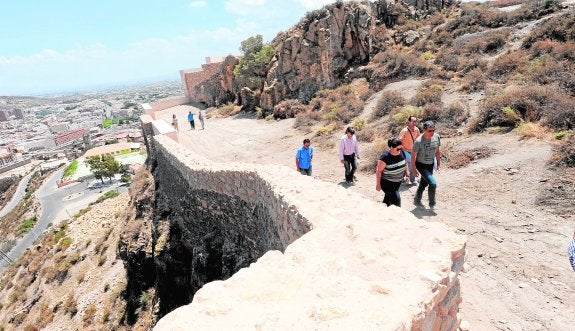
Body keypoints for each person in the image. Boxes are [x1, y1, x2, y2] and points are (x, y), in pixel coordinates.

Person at [412, 120, 441, 209]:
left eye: (433, 130)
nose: (432, 133)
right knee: (432, 183)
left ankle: (417, 199)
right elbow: (413, 156)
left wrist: (438, 161)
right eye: (429, 131)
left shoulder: (437, 137)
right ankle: (432, 204)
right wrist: (413, 170)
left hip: (430, 164)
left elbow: (437, 150)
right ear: (424, 130)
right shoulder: (418, 141)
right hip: (421, 165)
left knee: (424, 183)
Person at [376, 138, 410, 207]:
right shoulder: (385, 157)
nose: (399, 150)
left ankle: (383, 211)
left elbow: (405, 162)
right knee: (396, 200)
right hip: (387, 183)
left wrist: (407, 174)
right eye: (398, 149)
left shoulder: (402, 152)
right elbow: (378, 171)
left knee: (387, 200)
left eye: (401, 148)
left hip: (397, 182)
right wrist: (378, 184)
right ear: (391, 147)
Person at [398, 115, 420, 184]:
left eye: (415, 121)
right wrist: (402, 148)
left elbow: (418, 139)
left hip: (412, 150)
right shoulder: (404, 130)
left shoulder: (416, 129)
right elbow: (398, 141)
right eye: (413, 121)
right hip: (404, 150)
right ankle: (412, 180)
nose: (414, 122)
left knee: (405, 164)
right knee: (411, 163)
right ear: (409, 121)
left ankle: (401, 178)